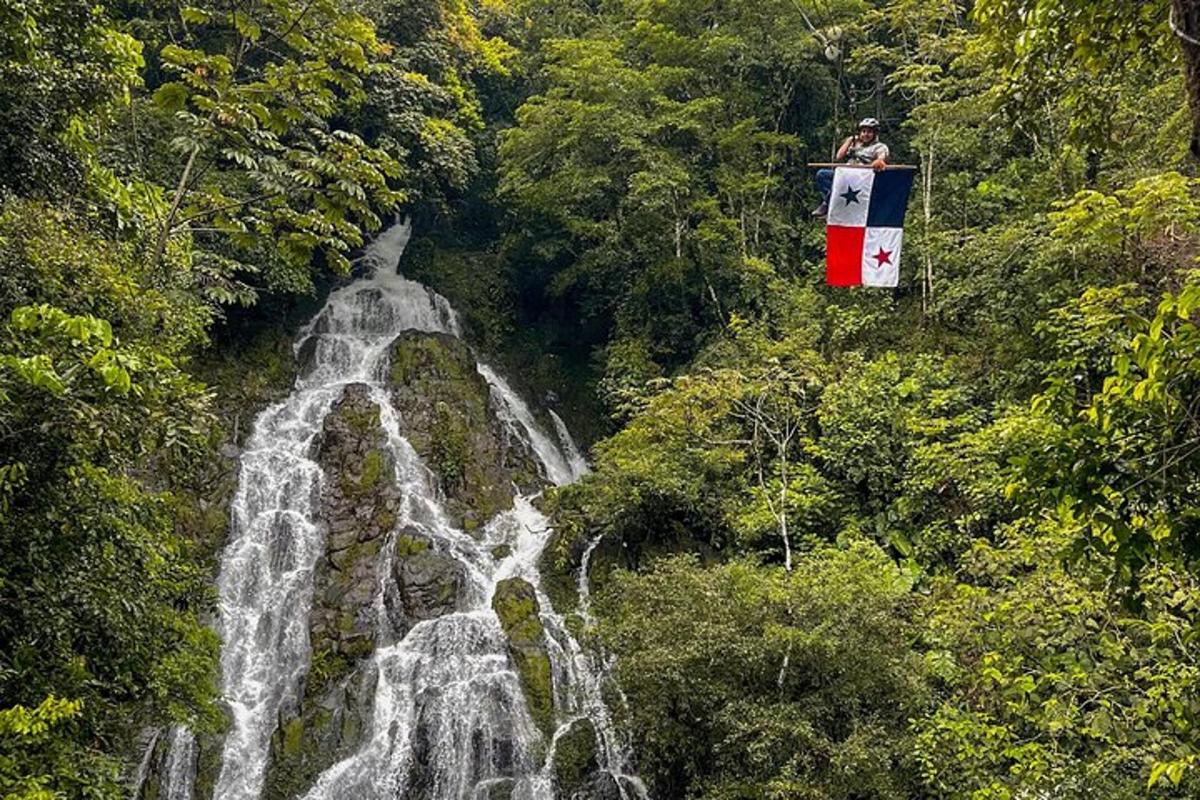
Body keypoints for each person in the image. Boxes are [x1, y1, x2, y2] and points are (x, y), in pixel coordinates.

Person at [812, 118, 889, 217]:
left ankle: (826, 204)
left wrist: (879, 161)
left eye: (869, 132)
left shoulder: (879, 147)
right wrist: (849, 141)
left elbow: (881, 157)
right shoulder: (856, 145)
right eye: (863, 131)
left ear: (875, 134)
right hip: (846, 173)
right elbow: (839, 156)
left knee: (841, 182)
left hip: (861, 178)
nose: (865, 134)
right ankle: (833, 200)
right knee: (822, 175)